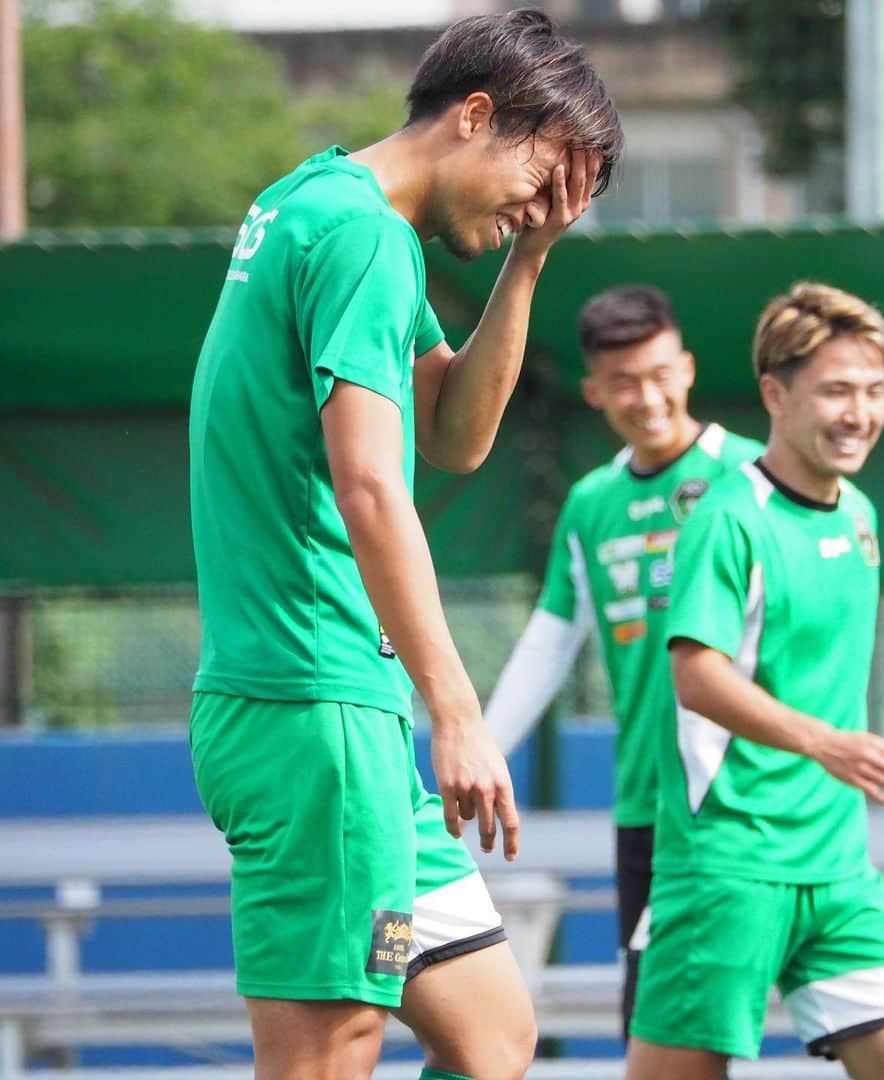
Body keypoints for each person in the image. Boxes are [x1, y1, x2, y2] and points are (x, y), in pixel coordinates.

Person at [187, 10, 622, 1080]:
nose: (544, 203)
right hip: (314, 711)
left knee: (491, 1036)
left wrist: (528, 262)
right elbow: (376, 486)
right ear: (476, 115)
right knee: (328, 1058)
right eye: (542, 177)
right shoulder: (365, 238)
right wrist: (460, 712)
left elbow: (456, 435)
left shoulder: (318, 203)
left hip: (342, 724)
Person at [627, 282, 884, 1080]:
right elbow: (697, 677)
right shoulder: (728, 517)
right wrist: (827, 745)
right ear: (774, 394)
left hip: (840, 873)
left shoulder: (861, 515)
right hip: (729, 864)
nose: (860, 413)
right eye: (837, 391)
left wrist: (831, 760)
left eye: (875, 391)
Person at [484, 284, 763, 1038]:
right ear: (593, 391)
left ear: (690, 368)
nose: (648, 397)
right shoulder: (590, 502)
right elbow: (551, 637)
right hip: (651, 807)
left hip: (759, 804)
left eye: (660, 372)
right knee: (659, 1028)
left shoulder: (756, 479)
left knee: (851, 1018)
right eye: (624, 382)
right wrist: (480, 746)